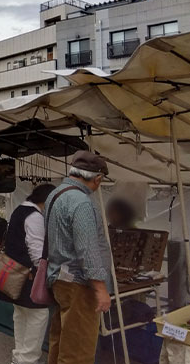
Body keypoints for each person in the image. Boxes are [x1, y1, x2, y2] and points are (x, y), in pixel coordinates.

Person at [46, 151, 113, 364]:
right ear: (97, 178)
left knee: (61, 340)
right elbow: (88, 250)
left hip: (59, 278)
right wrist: (101, 289)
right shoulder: (81, 202)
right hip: (79, 284)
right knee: (78, 351)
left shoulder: (56, 194)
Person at [1, 183, 56, 364]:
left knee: (21, 315)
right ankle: (28, 359)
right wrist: (42, 274)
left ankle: (20, 356)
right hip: (28, 275)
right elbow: (37, 252)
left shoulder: (20, 209)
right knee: (37, 316)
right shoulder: (34, 216)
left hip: (15, 273)